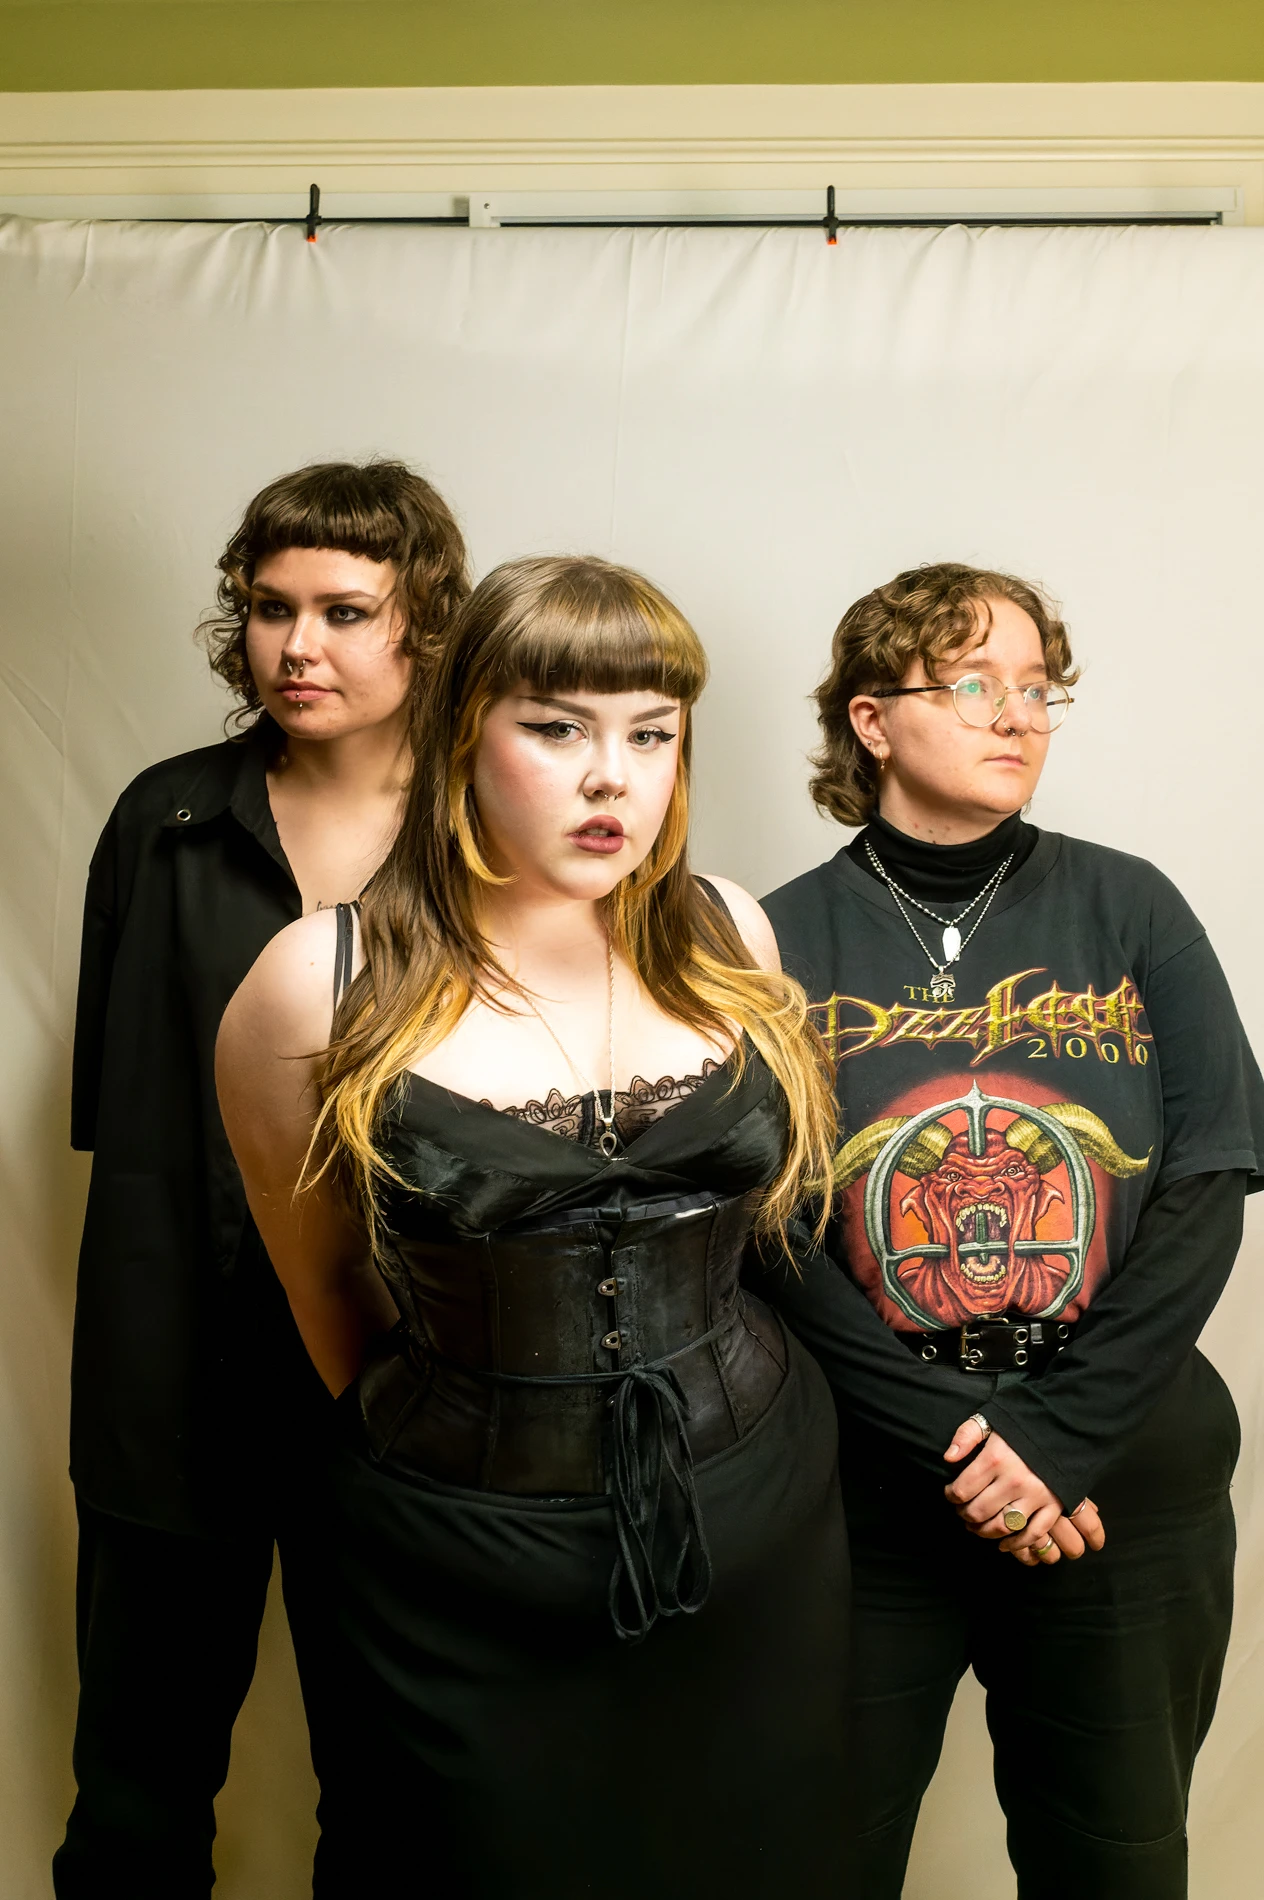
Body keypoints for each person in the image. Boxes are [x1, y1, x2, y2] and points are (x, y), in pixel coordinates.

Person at [216, 554, 853, 1898]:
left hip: (756, 1533)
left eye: (651, 733)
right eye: (557, 728)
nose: (612, 775)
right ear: (464, 737)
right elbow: (326, 1288)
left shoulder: (731, 931)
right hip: (453, 1563)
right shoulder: (312, 986)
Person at [758, 562, 1264, 1900]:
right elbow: (773, 1234)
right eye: (975, 682)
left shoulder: (1132, 906)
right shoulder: (772, 939)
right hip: (869, 1496)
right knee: (814, 1857)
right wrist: (965, 1448)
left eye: (1039, 688)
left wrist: (1057, 1437)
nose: (1018, 715)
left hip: (1118, 1488)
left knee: (1117, 1866)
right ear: (872, 719)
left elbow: (1215, 1170)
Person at [56, 459, 470, 1898]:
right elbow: (130, 1114)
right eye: (270, 609)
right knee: (135, 1791)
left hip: (419, 1379)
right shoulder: (164, 823)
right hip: (173, 1379)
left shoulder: (492, 836)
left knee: (403, 1791)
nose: (300, 647)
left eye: (348, 611)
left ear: (428, 624)